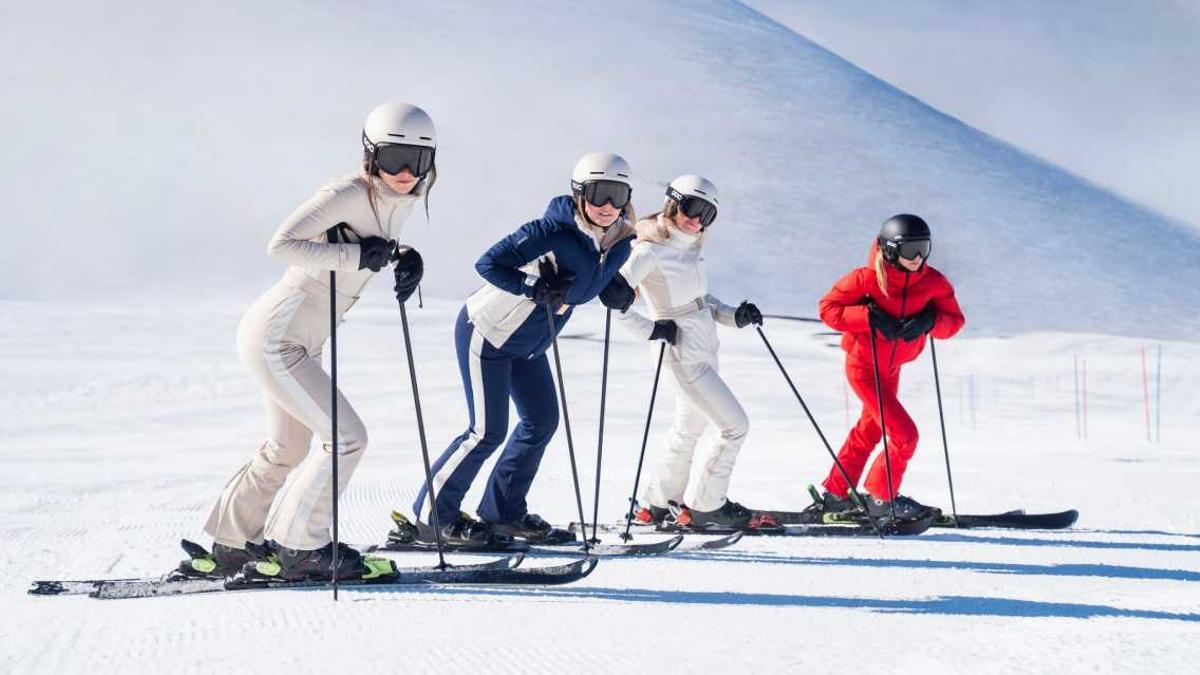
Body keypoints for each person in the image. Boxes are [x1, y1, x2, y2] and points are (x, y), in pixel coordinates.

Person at [185, 103, 433, 581]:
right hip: (277, 336)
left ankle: (233, 543)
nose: (404, 172)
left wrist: (403, 255)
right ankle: (301, 547)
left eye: (416, 161)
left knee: (287, 448)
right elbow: (281, 244)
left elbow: (368, 241)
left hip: (302, 340)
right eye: (393, 158)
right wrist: (357, 255)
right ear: (370, 155)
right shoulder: (346, 192)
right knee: (347, 438)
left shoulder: (396, 201)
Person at [404, 152, 637, 547]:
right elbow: (488, 264)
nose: (608, 206)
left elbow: (588, 277)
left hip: (530, 346)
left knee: (541, 422)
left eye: (617, 196)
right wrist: (532, 288)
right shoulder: (550, 230)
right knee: (487, 431)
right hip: (489, 333)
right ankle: (432, 518)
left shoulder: (619, 246)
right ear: (579, 193)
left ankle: (502, 513)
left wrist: (610, 288)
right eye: (599, 194)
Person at [619, 176, 773, 531]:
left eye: (707, 214)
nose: (697, 219)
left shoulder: (691, 247)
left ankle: (656, 504)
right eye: (691, 208)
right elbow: (614, 300)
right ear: (673, 203)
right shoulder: (649, 251)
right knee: (735, 426)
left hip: (706, 349)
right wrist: (653, 328)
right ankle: (706, 505)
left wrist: (736, 315)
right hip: (684, 355)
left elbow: (703, 302)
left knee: (688, 427)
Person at [810, 214, 964, 522]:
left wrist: (930, 321)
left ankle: (837, 494)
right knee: (905, 436)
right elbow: (827, 309)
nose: (918, 257)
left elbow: (955, 322)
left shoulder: (933, 282)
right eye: (910, 250)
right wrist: (867, 316)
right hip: (863, 367)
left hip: (892, 370)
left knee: (870, 430)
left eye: (924, 248)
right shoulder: (866, 279)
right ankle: (882, 497)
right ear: (891, 250)